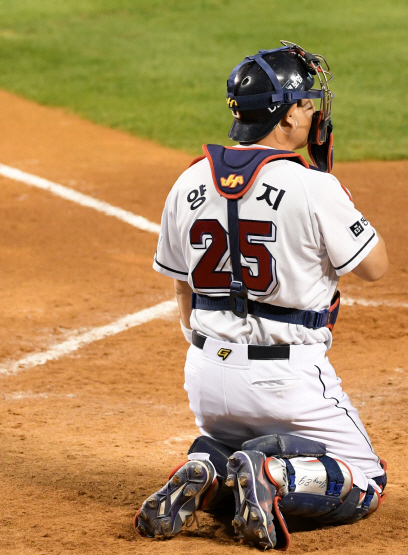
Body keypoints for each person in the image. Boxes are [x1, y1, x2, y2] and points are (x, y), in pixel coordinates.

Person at [134, 41, 388, 550]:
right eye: (308, 104)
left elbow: (182, 285)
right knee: (365, 480)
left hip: (207, 377)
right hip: (286, 380)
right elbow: (375, 267)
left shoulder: (187, 181)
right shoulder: (312, 186)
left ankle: (206, 468)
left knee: (232, 450)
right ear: (288, 115)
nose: (314, 113)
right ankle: (276, 477)